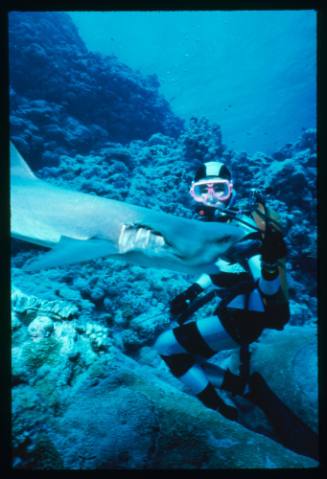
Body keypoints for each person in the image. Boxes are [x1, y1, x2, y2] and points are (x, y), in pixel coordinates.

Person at [154, 160, 290, 420]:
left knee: (165, 346)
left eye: (219, 189)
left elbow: (268, 288)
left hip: (244, 319)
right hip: (233, 313)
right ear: (193, 193)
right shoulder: (222, 225)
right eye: (203, 190)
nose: (211, 198)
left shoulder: (244, 229)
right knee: (186, 355)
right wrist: (191, 291)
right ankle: (244, 389)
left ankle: (222, 411)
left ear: (232, 190)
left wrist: (270, 262)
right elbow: (222, 265)